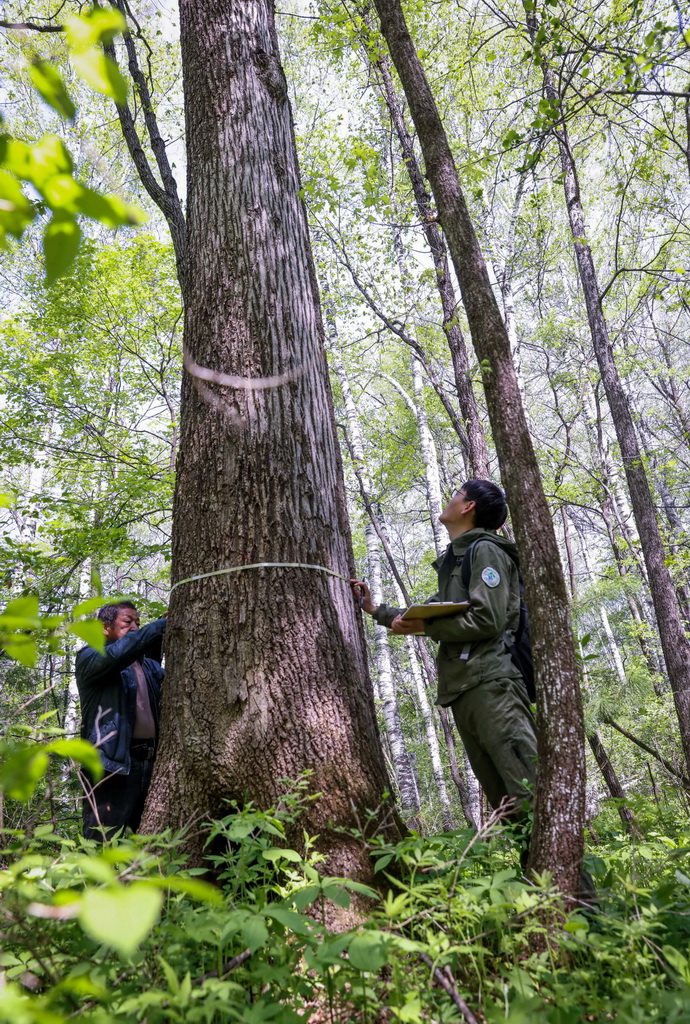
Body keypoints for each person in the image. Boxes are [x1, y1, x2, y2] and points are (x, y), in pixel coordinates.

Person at [352, 479, 537, 829]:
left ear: (468, 508)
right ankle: (536, 883)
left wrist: (426, 628)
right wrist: (376, 610)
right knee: (508, 809)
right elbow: (434, 611)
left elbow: (487, 618)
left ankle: (573, 885)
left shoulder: (486, 551)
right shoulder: (459, 559)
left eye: (457, 495)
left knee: (529, 793)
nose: (451, 500)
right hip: (465, 689)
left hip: (492, 684)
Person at [75, 601, 166, 841]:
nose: (135, 627)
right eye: (128, 622)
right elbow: (119, 653)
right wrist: (160, 626)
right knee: (101, 840)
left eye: (138, 622)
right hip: (111, 767)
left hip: (151, 763)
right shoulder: (91, 657)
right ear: (106, 628)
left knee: (145, 839)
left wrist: (159, 634)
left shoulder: (147, 666)